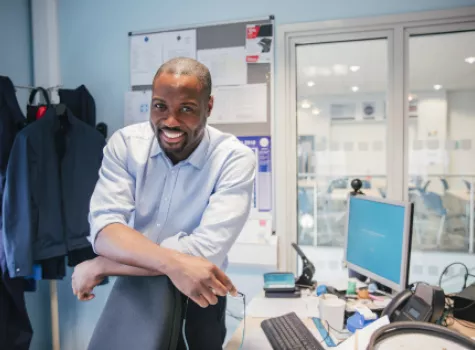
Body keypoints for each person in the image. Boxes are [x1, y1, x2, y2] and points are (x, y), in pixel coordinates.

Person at [71, 57, 256, 349]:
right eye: (160, 107)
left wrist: (103, 264)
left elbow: (203, 253)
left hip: (200, 295)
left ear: (208, 106)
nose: (170, 121)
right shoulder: (126, 145)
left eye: (187, 109)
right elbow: (106, 229)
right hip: (137, 290)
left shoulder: (233, 159)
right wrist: (172, 263)